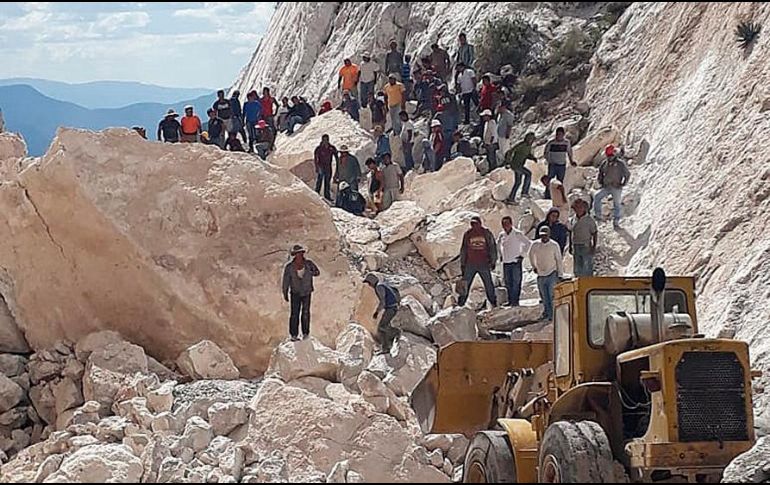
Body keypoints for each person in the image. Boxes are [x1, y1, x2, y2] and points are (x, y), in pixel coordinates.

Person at [282, 245, 321, 342]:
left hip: (306, 291)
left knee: (305, 313)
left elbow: (317, 272)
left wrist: (312, 271)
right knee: (294, 313)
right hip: (295, 292)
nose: (299, 255)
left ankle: (305, 333)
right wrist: (285, 292)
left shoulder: (308, 264)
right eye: (297, 253)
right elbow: (286, 280)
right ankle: (293, 334)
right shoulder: (289, 267)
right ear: (294, 255)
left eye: (300, 253)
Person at [458, 216, 498, 308]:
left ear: (480, 223)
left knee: (488, 284)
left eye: (476, 223)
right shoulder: (468, 234)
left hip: (483, 263)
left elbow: (492, 247)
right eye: (472, 224)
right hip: (470, 264)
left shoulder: (486, 233)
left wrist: (493, 261)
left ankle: (493, 302)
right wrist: (463, 264)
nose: (474, 226)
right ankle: (461, 303)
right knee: (465, 284)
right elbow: (464, 249)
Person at [529, 227, 564, 321]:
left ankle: (553, 316)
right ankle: (548, 314)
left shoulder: (554, 245)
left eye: (545, 235)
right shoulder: (535, 244)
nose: (543, 237)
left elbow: (559, 260)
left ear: (549, 235)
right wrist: (534, 266)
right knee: (544, 296)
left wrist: (560, 274)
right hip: (540, 274)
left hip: (552, 273)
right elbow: (530, 255)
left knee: (551, 295)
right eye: (542, 235)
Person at [498, 216, 532, 307]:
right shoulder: (502, 235)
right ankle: (510, 300)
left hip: (515, 261)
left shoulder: (517, 234)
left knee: (516, 282)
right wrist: (501, 255)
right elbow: (499, 245)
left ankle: (515, 301)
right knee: (508, 282)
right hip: (506, 262)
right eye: (504, 224)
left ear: (511, 224)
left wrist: (522, 255)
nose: (505, 226)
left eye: (507, 223)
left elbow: (528, 243)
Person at [594, 145, 631, 230]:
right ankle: (598, 216)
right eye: (608, 156)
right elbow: (600, 173)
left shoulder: (620, 164)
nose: (609, 157)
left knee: (617, 204)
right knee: (597, 197)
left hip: (616, 187)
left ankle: (616, 221)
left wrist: (623, 183)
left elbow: (627, 174)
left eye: (611, 155)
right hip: (607, 187)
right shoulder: (604, 163)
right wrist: (601, 181)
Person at [364, 273, 402, 354]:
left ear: (372, 282)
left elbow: (382, 301)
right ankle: (388, 344)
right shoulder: (383, 284)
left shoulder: (378, 287)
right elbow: (395, 290)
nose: (369, 285)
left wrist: (377, 312)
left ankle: (395, 333)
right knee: (386, 326)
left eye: (369, 283)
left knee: (381, 328)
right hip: (393, 307)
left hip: (390, 308)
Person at [544, 127, 576, 199]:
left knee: (560, 182)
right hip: (553, 165)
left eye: (560, 134)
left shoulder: (566, 143)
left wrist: (571, 161)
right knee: (550, 181)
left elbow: (569, 152)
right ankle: (547, 196)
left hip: (562, 165)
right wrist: (549, 160)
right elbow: (546, 153)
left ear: (563, 135)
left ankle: (558, 197)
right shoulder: (551, 143)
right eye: (558, 134)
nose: (559, 136)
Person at [505, 132, 537, 203]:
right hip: (516, 165)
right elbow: (510, 151)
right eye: (530, 139)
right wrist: (507, 162)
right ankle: (524, 192)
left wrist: (532, 158)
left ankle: (511, 198)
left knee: (518, 182)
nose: (531, 140)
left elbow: (527, 155)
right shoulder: (522, 145)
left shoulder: (529, 147)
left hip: (520, 165)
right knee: (528, 174)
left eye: (532, 139)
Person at [571, 198, 598, 277]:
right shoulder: (573, 219)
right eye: (576, 207)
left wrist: (593, 246)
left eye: (580, 207)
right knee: (577, 268)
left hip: (585, 245)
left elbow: (595, 233)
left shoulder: (589, 220)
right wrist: (570, 245)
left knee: (587, 267)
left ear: (584, 208)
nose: (578, 209)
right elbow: (571, 232)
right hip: (576, 245)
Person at [314, 134, 339, 201]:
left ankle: (327, 196)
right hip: (321, 166)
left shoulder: (332, 148)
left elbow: (337, 158)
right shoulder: (318, 148)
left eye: (326, 139)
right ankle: (316, 194)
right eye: (324, 140)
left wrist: (338, 167)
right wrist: (317, 167)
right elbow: (315, 158)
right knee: (319, 180)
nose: (325, 141)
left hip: (328, 166)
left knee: (327, 182)